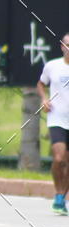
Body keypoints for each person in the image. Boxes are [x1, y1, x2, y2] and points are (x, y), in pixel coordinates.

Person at [37, 32, 69, 214]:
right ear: (62, 46)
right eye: (67, 45)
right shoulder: (52, 66)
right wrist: (44, 100)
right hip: (57, 118)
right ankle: (58, 193)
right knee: (59, 158)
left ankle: (61, 199)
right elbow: (41, 84)